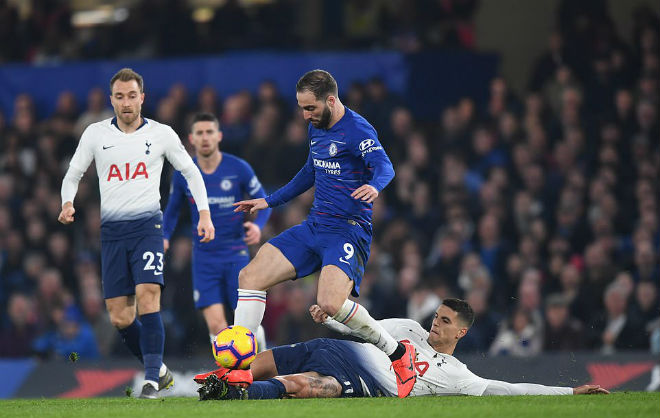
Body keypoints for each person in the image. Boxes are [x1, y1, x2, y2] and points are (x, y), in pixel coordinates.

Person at [231, 70, 417, 397]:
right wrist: (268, 201)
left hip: (347, 231)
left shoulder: (358, 130)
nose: (306, 115)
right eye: (302, 109)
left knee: (330, 304)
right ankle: (238, 367)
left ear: (330, 100)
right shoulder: (316, 128)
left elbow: (385, 166)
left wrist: (374, 186)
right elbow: (309, 172)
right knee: (250, 276)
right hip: (315, 225)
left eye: (311, 108)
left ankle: (399, 352)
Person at [58, 68, 215, 399]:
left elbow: (191, 172)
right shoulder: (95, 134)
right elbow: (73, 173)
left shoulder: (161, 134)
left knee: (148, 296)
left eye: (132, 96)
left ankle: (150, 384)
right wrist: (67, 202)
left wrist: (203, 213)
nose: (126, 102)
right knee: (119, 316)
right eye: (120, 96)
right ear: (111, 99)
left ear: (142, 98)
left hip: (148, 227)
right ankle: (159, 370)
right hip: (112, 232)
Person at [194, 299, 609, 400]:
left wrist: (569, 392)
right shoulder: (408, 328)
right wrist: (332, 315)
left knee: (303, 384)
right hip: (333, 346)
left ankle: (235, 392)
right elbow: (368, 326)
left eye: (446, 321)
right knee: (273, 357)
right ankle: (224, 378)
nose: (436, 322)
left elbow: (507, 388)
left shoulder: (456, 372)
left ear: (461, 333)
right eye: (438, 315)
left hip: (362, 379)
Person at [163, 112, 271, 344]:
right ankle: (232, 379)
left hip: (236, 254)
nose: (205, 138)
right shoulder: (184, 173)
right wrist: (164, 237)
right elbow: (171, 210)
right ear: (191, 139)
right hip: (204, 257)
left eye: (209, 132)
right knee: (216, 326)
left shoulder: (238, 168)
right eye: (199, 133)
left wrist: (258, 225)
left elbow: (265, 202)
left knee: (245, 326)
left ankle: (260, 360)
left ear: (219, 136)